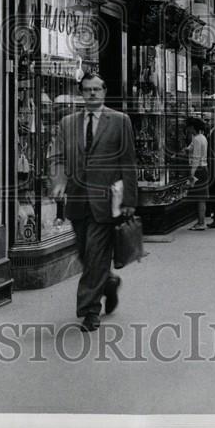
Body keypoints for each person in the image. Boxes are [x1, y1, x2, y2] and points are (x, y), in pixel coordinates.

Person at [49, 73, 138, 332]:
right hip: (77, 201)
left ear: (104, 91)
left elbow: (128, 162)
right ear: (81, 93)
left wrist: (130, 199)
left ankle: (90, 311)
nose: (92, 94)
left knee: (97, 253)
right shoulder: (67, 124)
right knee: (85, 254)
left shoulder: (120, 121)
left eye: (96, 89)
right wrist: (58, 180)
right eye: (87, 90)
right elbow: (56, 157)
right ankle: (108, 282)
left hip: (106, 201)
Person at [184, 116, 209, 231]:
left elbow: (196, 157)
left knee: (200, 198)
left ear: (193, 127)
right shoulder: (201, 137)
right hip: (203, 169)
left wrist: (191, 173)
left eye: (189, 127)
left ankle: (201, 222)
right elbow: (191, 149)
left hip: (199, 169)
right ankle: (200, 221)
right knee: (201, 197)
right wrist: (187, 149)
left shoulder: (197, 139)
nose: (187, 129)